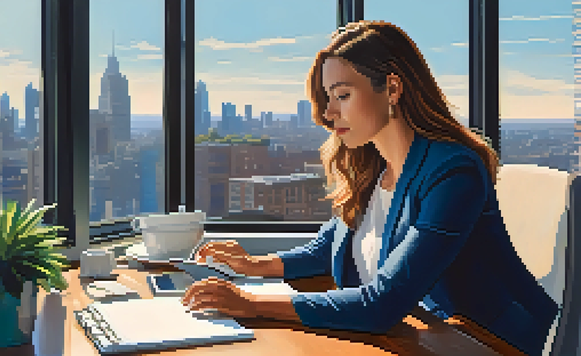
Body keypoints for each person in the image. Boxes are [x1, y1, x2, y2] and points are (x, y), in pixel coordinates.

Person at [182, 20, 559, 355]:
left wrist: (249, 302)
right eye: (327, 98)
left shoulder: (453, 172)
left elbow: (384, 303)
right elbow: (327, 250)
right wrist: (253, 264)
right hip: (424, 336)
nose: (329, 113)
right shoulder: (371, 166)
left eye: (343, 95)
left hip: (491, 343)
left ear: (392, 88)